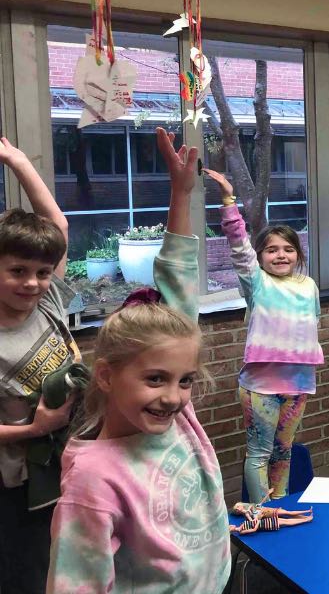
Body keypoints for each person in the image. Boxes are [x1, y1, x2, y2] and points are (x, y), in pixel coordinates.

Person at [46, 128, 230, 592]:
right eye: (155, 379)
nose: (174, 397)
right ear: (106, 376)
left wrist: (181, 194)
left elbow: (181, 286)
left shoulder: (175, 418)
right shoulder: (94, 481)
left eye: (185, 381)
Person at [205, 168, 323, 500]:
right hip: (260, 386)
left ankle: (280, 508)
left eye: (288, 249)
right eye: (272, 250)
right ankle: (261, 515)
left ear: (298, 255)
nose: (280, 255)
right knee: (259, 452)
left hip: (297, 386)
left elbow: (312, 325)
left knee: (283, 451)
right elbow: (238, 244)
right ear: (260, 258)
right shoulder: (257, 282)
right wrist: (228, 199)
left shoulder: (308, 285)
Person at [0, 136, 79, 593]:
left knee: (63, 563)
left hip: (64, 458)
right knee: (26, 574)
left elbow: (57, 225)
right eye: (17, 272)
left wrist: (17, 161)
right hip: (17, 482)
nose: (32, 283)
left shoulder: (46, 298)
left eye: (42, 272)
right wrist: (34, 429)